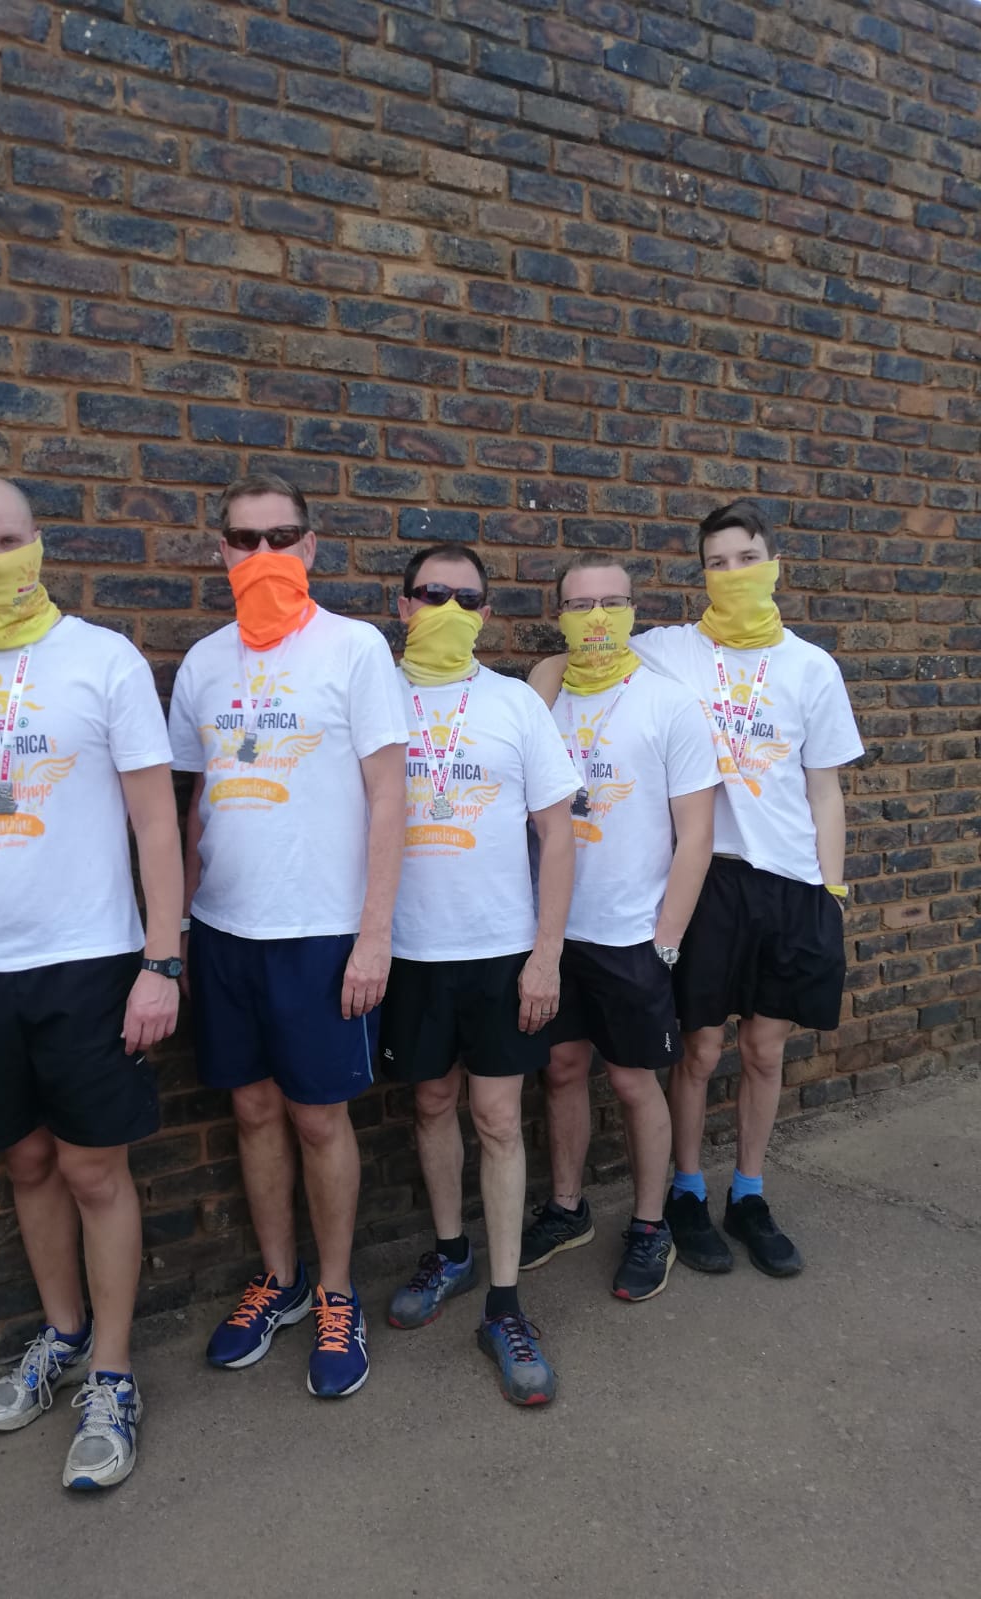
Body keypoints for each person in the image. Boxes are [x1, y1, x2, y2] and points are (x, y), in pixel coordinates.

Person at [0, 474, 183, 1491]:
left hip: (90, 961)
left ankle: (112, 1374)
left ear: (39, 543)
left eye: (7, 538)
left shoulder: (103, 661)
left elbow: (156, 821)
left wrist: (161, 960)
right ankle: (62, 1334)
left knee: (95, 1170)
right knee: (24, 1161)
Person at [168, 472, 407, 1399]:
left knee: (317, 1116)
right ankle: (281, 1279)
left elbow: (390, 795)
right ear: (221, 550)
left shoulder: (354, 648)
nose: (262, 553)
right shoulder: (203, 662)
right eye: (245, 538)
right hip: (227, 929)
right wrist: (182, 923)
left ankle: (338, 1291)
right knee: (253, 1110)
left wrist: (374, 933)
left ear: (310, 545)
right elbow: (197, 799)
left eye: (280, 536)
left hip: (321, 931)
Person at [631, 500, 863, 1276]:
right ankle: (687, 1189)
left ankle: (750, 1193)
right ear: (702, 574)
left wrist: (832, 893)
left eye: (747, 558)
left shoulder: (811, 666)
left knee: (764, 1049)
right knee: (699, 1048)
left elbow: (825, 791)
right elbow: (586, 658)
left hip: (791, 881)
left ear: (774, 565)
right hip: (710, 878)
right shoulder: (669, 650)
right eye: (717, 562)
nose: (733, 572)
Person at [380, 544, 577, 1405]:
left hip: (499, 948)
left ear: (486, 615)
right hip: (406, 949)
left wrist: (546, 953)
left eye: (468, 598)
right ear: (403, 605)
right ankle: (451, 1252)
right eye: (434, 594)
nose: (450, 609)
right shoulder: (371, 695)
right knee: (430, 1102)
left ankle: (504, 1303)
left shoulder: (513, 704)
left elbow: (558, 835)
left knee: (497, 1117)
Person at [519, 554, 718, 1303]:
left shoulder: (669, 705)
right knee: (562, 1069)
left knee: (635, 1080)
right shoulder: (544, 697)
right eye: (579, 605)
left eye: (611, 603)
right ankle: (567, 1208)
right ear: (560, 616)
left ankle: (648, 1224)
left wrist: (665, 938)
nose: (596, 618)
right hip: (554, 931)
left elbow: (696, 836)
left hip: (632, 934)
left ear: (634, 609)